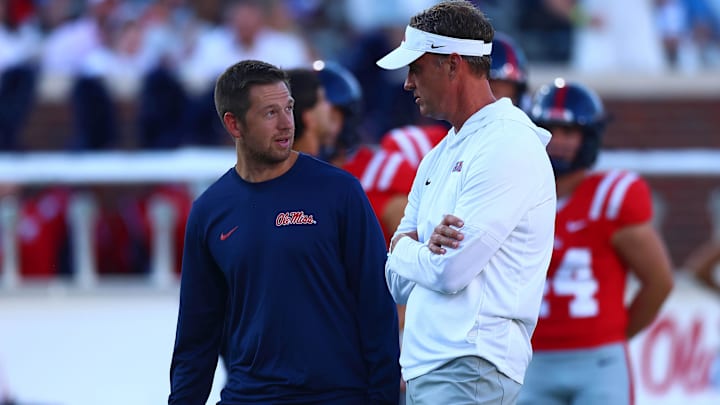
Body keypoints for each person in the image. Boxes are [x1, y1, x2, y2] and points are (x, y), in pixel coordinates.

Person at [168, 59, 400, 404]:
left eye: (288, 108)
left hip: (337, 396)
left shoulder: (341, 192)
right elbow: (196, 336)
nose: (286, 124)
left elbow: (377, 310)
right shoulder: (209, 211)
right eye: (269, 113)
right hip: (248, 397)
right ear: (234, 124)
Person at [375, 1, 557, 403]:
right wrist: (418, 251)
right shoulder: (440, 153)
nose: (408, 83)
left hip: (469, 363)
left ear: (452, 64)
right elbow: (396, 283)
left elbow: (450, 271)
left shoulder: (508, 143)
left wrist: (406, 246)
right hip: (441, 365)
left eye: (416, 68)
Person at [517, 80, 674, 405]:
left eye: (568, 132)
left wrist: (613, 336)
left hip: (597, 362)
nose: (556, 141)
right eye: (549, 129)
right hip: (529, 360)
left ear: (588, 138)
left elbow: (659, 281)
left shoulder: (612, 196)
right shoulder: (515, 195)